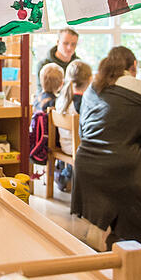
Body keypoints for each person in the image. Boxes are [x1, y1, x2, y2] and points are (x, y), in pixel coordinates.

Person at [72, 46, 141, 250]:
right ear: (133, 66)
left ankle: (104, 233)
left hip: (86, 166)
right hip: (121, 171)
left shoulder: (92, 88)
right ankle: (131, 243)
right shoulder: (138, 86)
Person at [54, 60, 92, 192]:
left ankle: (66, 173)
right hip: (77, 149)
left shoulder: (62, 99)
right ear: (90, 79)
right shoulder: (84, 103)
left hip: (64, 144)